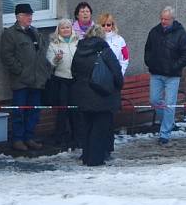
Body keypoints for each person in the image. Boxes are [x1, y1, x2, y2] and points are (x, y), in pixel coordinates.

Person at [0, 3, 52, 152]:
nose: (30, 18)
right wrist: (20, 71)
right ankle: (17, 139)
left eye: (31, 15)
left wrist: (45, 71)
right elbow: (6, 56)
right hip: (21, 81)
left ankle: (29, 137)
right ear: (19, 17)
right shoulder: (10, 34)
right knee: (19, 111)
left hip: (37, 80)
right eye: (27, 15)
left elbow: (41, 54)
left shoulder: (35, 32)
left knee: (34, 111)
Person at [70, 25, 124, 166]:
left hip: (83, 97)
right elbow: (117, 73)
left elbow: (73, 72)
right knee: (99, 129)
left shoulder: (79, 50)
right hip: (103, 97)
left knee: (87, 128)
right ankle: (95, 160)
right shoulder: (104, 50)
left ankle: (86, 157)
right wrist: (117, 87)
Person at [144, 6, 186, 145]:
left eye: (166, 19)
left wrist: (175, 66)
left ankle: (164, 133)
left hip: (173, 75)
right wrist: (150, 63)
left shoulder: (181, 34)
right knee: (154, 100)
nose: (163, 21)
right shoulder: (154, 32)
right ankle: (169, 122)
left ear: (172, 19)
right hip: (156, 73)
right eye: (162, 19)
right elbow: (147, 50)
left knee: (170, 104)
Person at [99, 13, 130, 158]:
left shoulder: (120, 40)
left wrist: (119, 75)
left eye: (109, 24)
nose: (106, 27)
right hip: (98, 83)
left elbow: (125, 59)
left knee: (110, 116)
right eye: (104, 25)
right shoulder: (97, 40)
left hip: (113, 83)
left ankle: (108, 147)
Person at [46, 18, 80, 147]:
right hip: (61, 79)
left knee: (76, 110)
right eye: (63, 27)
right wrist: (57, 58)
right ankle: (60, 137)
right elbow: (50, 63)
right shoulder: (54, 44)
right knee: (63, 109)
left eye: (68, 27)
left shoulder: (78, 42)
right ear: (58, 30)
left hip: (76, 80)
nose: (66, 30)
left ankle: (77, 137)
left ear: (71, 29)